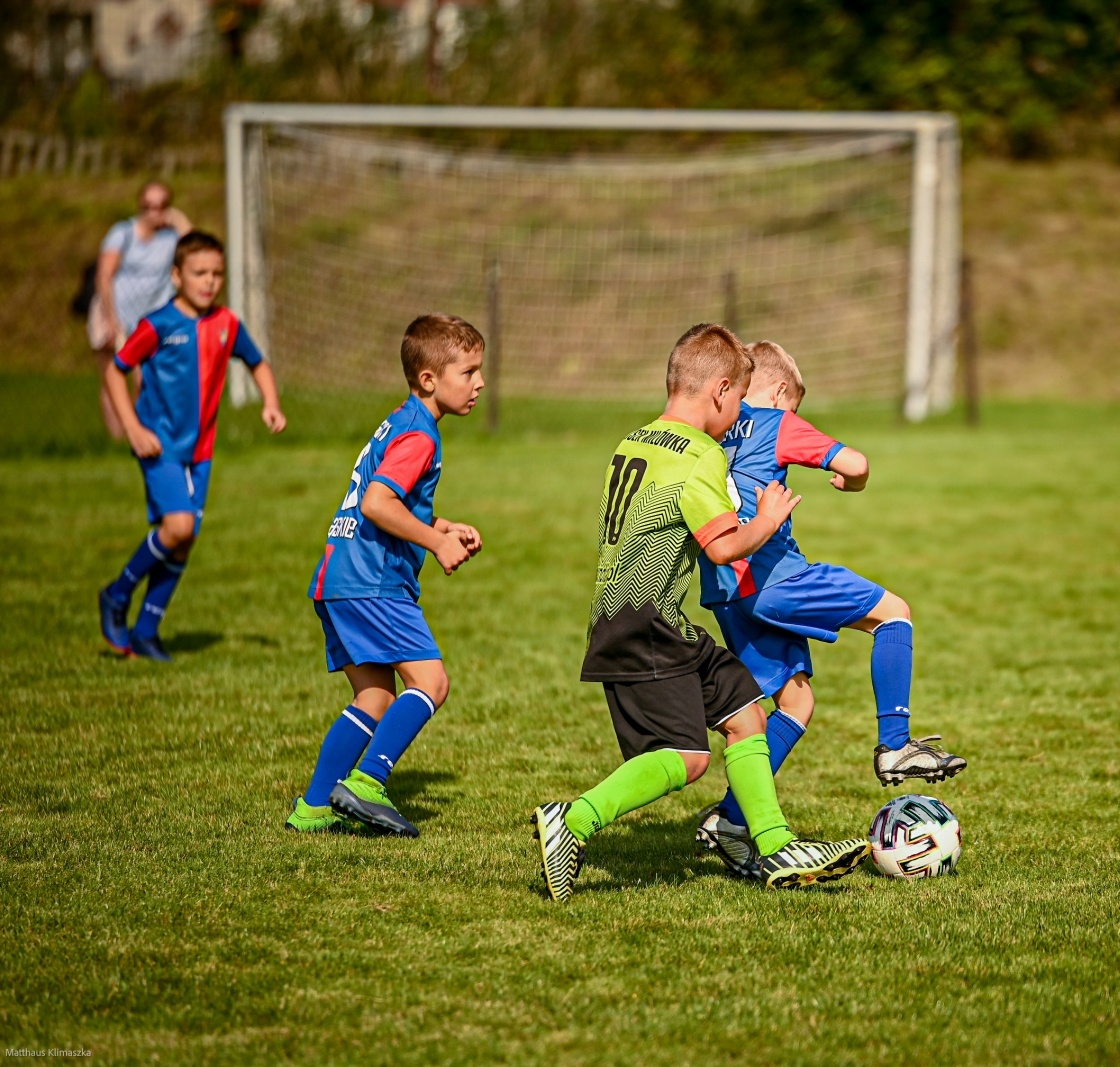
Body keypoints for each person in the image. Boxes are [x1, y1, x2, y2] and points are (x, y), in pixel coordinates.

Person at [529, 323, 870, 901]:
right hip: (643, 623)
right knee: (687, 758)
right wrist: (767, 520)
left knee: (746, 712)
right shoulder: (701, 454)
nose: (737, 417)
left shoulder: (635, 440)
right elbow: (722, 547)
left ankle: (775, 845)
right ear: (719, 391)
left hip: (649, 617)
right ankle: (574, 820)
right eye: (738, 401)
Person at [692, 340, 966, 877]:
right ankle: (895, 745)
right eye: (793, 405)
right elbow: (856, 464)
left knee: (796, 703)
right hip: (776, 578)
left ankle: (729, 819)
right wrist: (850, 480)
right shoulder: (776, 421)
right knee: (895, 613)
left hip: (726, 592)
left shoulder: (712, 431)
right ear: (777, 392)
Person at [287, 314, 486, 836]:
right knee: (431, 682)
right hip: (372, 582)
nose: (480, 383)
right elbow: (377, 503)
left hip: (339, 578)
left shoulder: (401, 421)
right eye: (468, 372)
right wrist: (436, 543)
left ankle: (313, 808)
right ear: (429, 379)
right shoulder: (420, 436)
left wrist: (442, 525)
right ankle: (368, 783)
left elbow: (392, 503)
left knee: (375, 698)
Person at [97, 231, 285, 662]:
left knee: (184, 541)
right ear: (177, 276)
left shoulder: (227, 324)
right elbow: (115, 371)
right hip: (159, 445)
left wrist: (271, 403)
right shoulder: (157, 325)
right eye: (200, 273)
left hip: (200, 452)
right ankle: (117, 593)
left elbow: (257, 362)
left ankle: (146, 632)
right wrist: (132, 428)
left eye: (217, 273)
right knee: (178, 527)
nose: (209, 281)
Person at [90, 181, 193, 439]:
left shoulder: (171, 238)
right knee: (112, 378)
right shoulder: (123, 233)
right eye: (148, 206)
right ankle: (116, 438)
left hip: (148, 321)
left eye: (161, 206)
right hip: (115, 314)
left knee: (144, 378)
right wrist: (111, 319)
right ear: (140, 207)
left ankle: (137, 432)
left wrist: (178, 219)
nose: (154, 212)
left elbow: (195, 250)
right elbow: (104, 276)